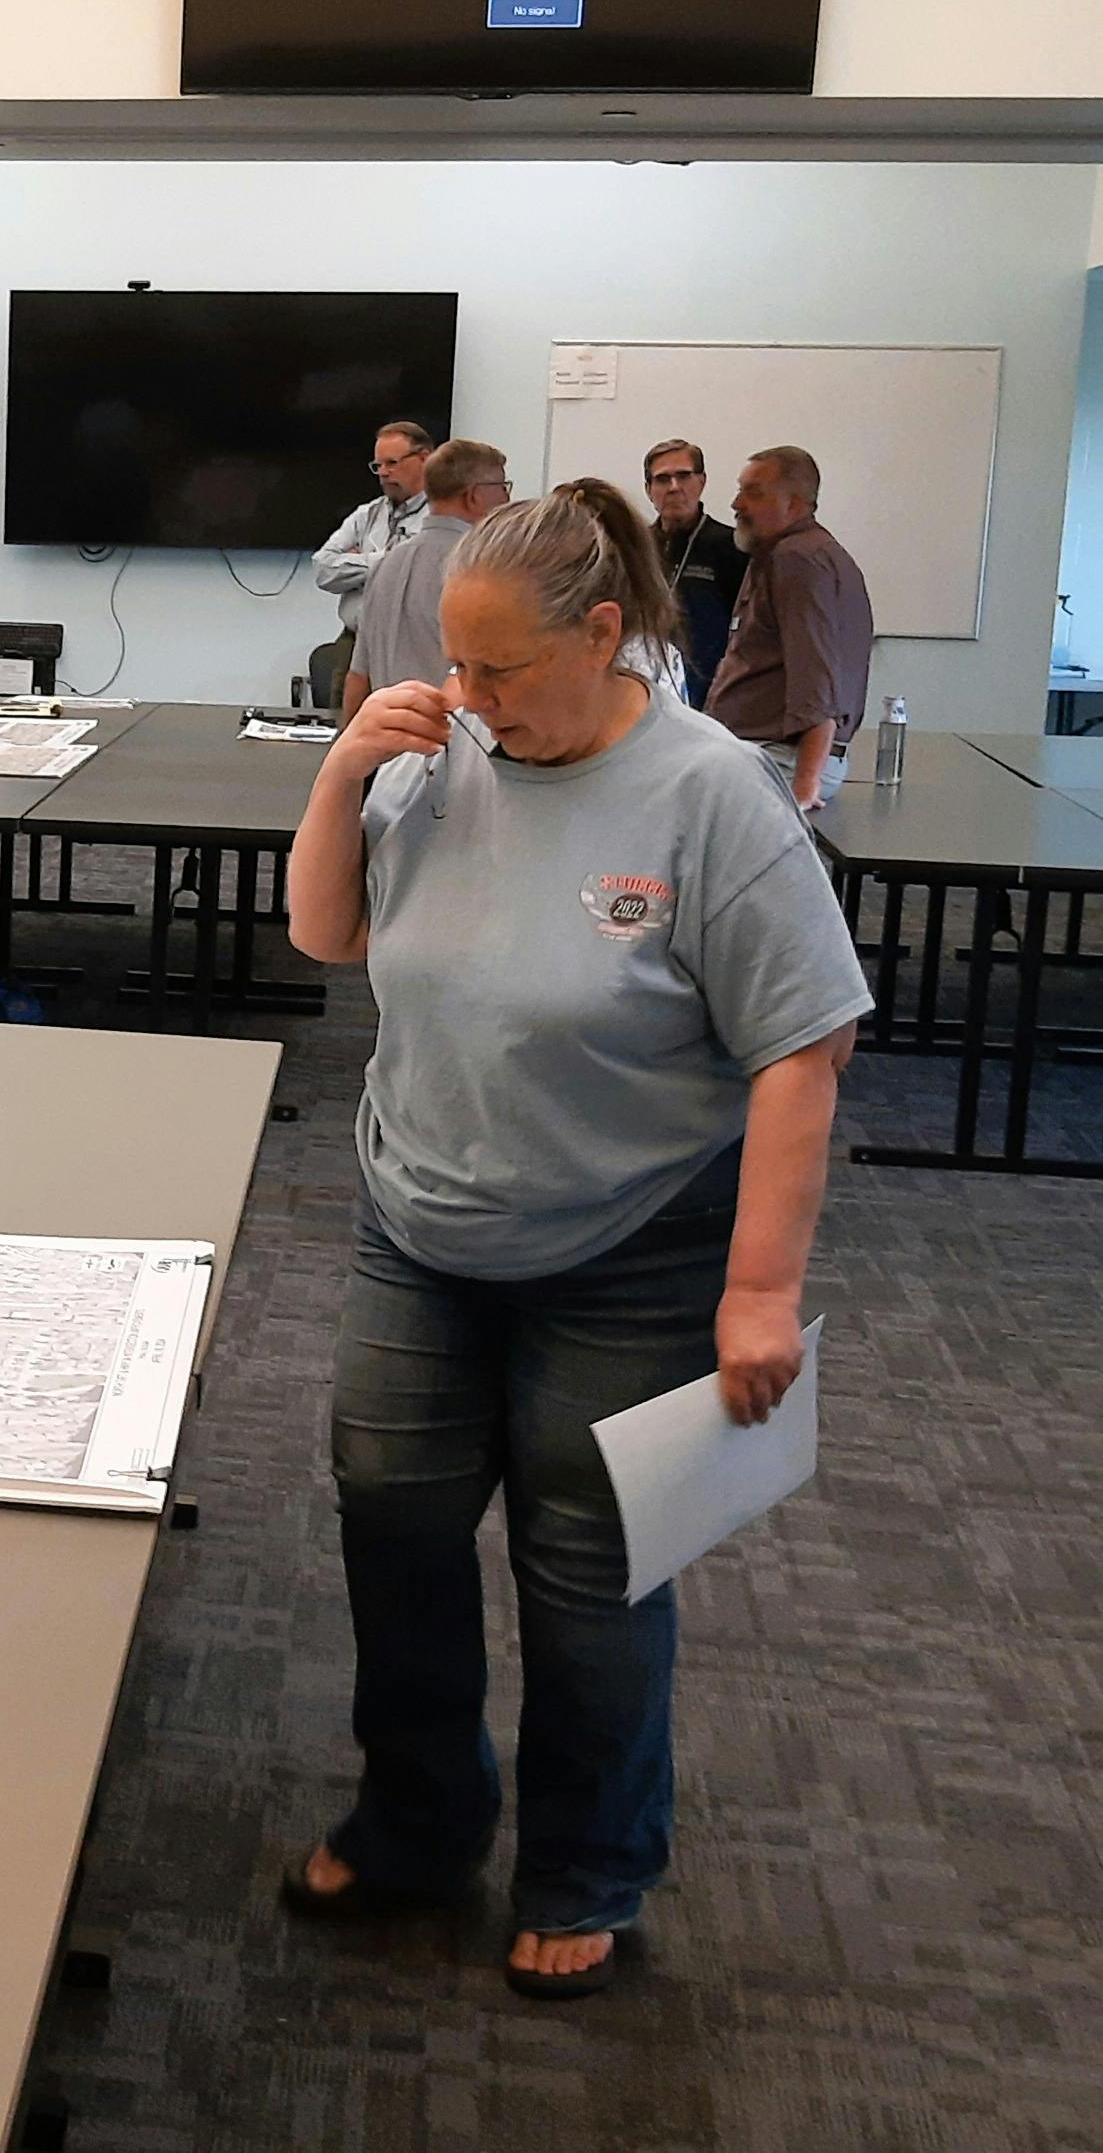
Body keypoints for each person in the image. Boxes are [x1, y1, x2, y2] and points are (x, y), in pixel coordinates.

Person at [280, 478, 869, 2000]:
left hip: (629, 1248)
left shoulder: (708, 793)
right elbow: (323, 936)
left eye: (498, 670)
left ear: (601, 633)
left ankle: (585, 1861)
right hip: (420, 1221)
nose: (468, 698)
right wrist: (344, 769)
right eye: (452, 666)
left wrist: (758, 1289)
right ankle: (417, 1818)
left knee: (588, 1564)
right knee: (391, 1529)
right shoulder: (442, 749)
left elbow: (802, 1048)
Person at [709, 446, 875, 810]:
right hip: (768, 756)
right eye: (739, 490)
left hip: (780, 761)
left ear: (795, 505)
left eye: (754, 493)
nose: (737, 504)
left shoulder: (798, 560)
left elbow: (816, 679)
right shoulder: (782, 553)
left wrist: (803, 787)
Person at [342, 439, 512, 719]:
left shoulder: (385, 564)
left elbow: (359, 677)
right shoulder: (481, 568)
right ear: (474, 496)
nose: (507, 499)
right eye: (502, 488)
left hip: (388, 748)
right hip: (450, 744)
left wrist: (348, 753)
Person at [312, 419, 434, 666]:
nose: (384, 473)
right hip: (354, 642)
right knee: (346, 706)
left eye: (392, 463)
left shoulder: (439, 516)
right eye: (378, 465)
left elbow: (418, 576)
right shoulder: (366, 514)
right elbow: (323, 569)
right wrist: (385, 560)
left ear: (424, 458)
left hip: (410, 646)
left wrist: (357, 562)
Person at [642, 438, 748, 708]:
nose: (674, 487)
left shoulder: (733, 546)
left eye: (683, 476)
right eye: (663, 479)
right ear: (649, 490)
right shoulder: (636, 548)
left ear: (701, 482)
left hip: (712, 695)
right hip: (646, 690)